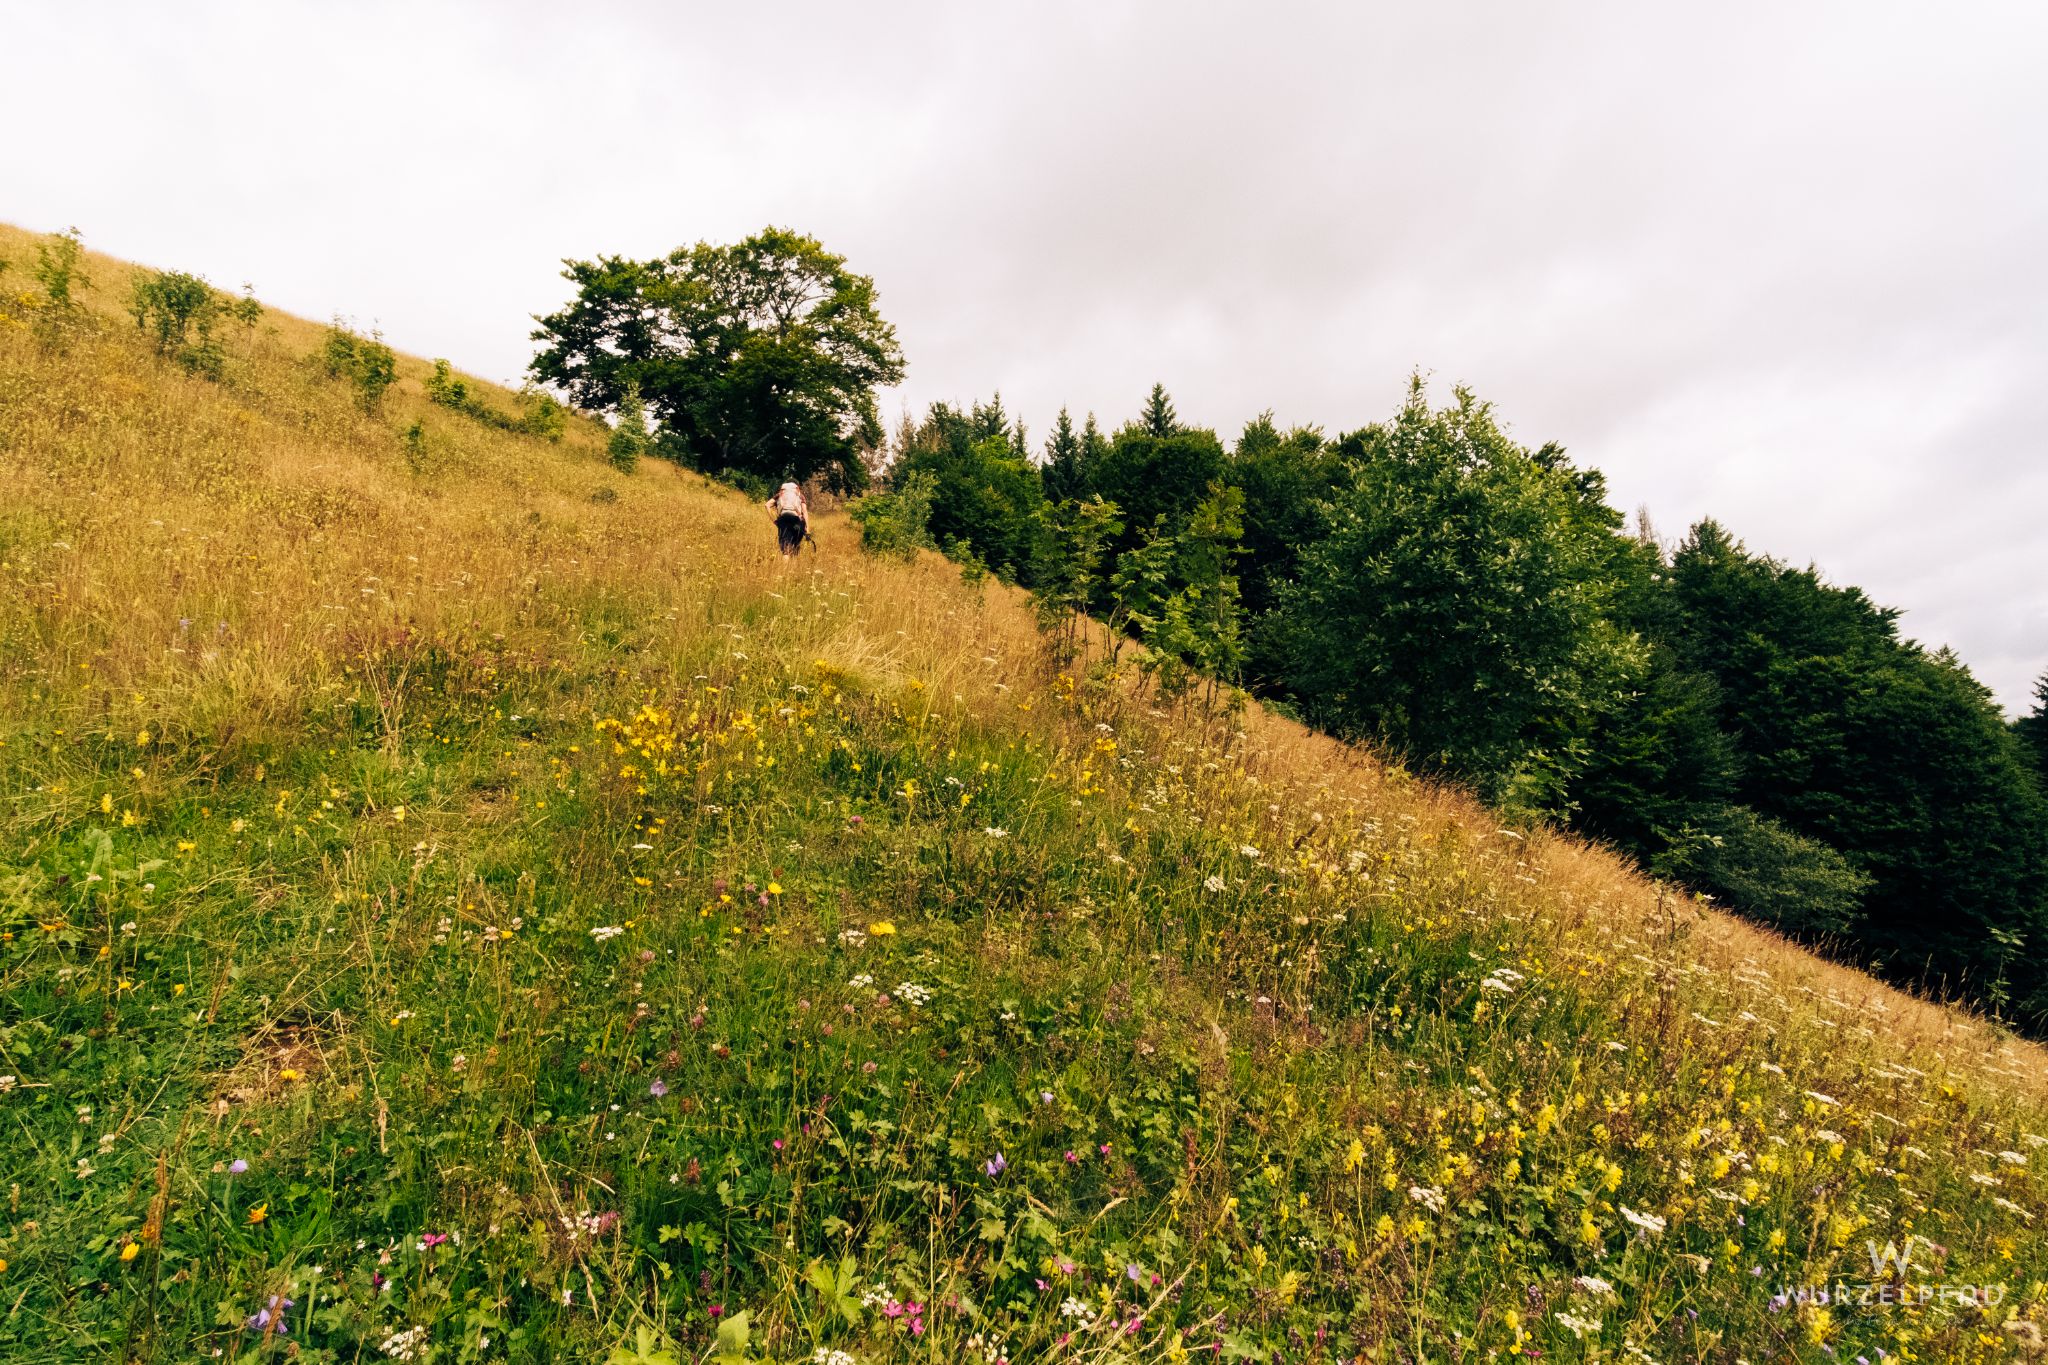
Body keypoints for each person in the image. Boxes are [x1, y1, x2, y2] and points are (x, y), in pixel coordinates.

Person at [766, 479, 809, 558]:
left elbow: (767, 505)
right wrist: (807, 527)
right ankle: (793, 566)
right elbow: (805, 511)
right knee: (795, 545)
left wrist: (774, 521)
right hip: (796, 521)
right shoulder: (799, 495)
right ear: (797, 487)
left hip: (783, 519)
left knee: (785, 548)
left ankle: (784, 569)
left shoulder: (780, 494)